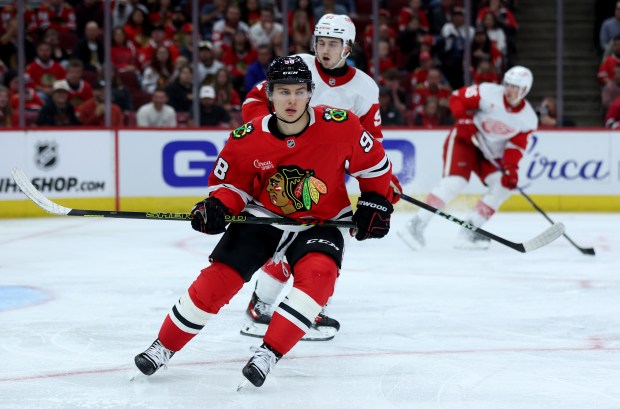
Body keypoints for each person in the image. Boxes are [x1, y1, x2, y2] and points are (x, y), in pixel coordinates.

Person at [133, 56, 393, 388]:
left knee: (319, 277)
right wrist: (216, 207)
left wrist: (375, 202)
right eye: (283, 92)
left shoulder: (342, 124)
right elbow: (232, 187)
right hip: (263, 218)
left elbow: (375, 168)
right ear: (269, 93)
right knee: (217, 281)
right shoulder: (245, 138)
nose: (292, 100)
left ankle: (268, 353)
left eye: (300, 91)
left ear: (311, 93)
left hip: (322, 221)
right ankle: (162, 347)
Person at [239, 13, 401, 341]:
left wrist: (382, 182)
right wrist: (277, 135)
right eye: (322, 42)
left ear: (348, 47)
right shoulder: (297, 65)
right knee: (292, 235)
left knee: (320, 240)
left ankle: (285, 303)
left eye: (334, 43)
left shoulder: (364, 88)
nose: (325, 49)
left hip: (325, 178)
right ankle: (273, 304)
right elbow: (253, 101)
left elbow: (371, 142)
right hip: (285, 172)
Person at [398, 66, 538, 250]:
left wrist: (511, 168)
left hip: (488, 153)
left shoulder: (528, 119)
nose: (509, 90)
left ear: (525, 90)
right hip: (466, 139)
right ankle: (416, 224)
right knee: (455, 182)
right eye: (508, 84)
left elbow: (516, 147)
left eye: (515, 87)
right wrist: (463, 118)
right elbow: (457, 97)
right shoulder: (488, 91)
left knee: (503, 186)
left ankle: (469, 232)